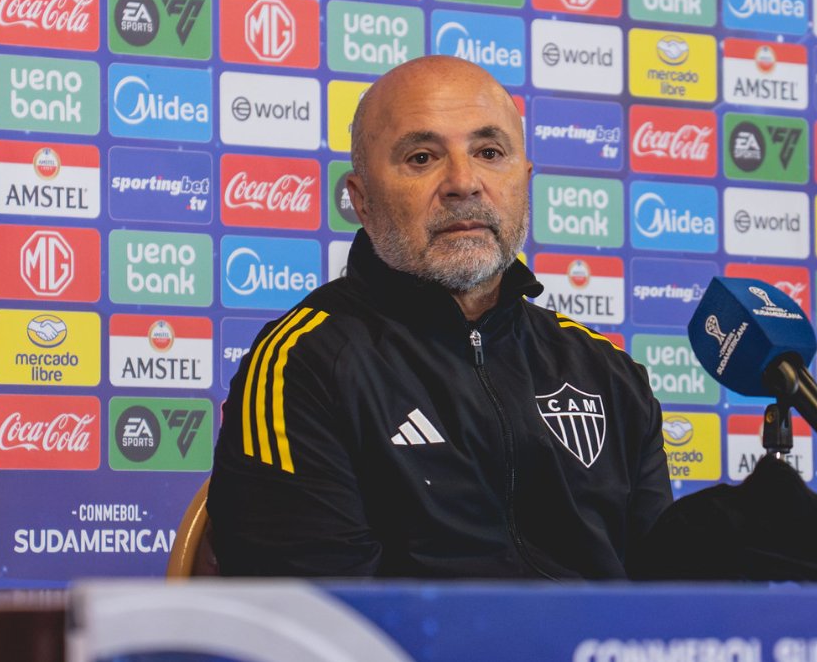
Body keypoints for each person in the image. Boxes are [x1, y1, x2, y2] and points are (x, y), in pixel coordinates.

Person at [208, 55, 672, 579]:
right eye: (423, 157)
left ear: (524, 181)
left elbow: (668, 607)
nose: (463, 182)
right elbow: (321, 629)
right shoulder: (306, 364)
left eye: (490, 152)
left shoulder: (606, 373)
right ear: (361, 200)